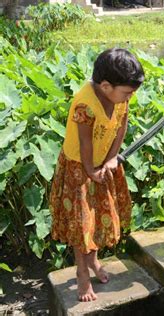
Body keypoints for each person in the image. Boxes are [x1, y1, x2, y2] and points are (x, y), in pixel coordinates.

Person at [49, 48, 144, 302]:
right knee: (82, 225)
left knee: (99, 218)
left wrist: (113, 158)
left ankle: (93, 261)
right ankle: (81, 272)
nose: (129, 97)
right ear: (105, 86)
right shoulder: (85, 105)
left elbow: (121, 125)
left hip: (103, 164)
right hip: (79, 167)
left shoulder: (120, 97)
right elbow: (85, 143)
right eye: (126, 92)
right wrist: (91, 170)